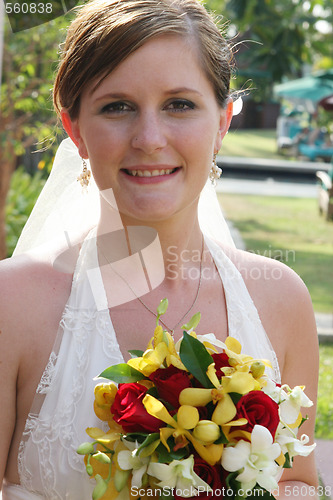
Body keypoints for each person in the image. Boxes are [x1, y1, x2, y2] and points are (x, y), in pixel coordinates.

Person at [0, 0, 319, 498]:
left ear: (222, 122)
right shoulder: (12, 302)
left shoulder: (281, 299)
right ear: (76, 131)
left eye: (179, 104)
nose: (149, 138)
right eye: (117, 106)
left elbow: (299, 479)